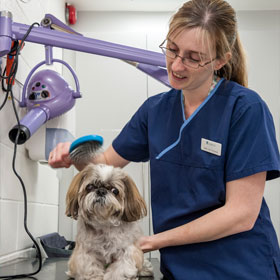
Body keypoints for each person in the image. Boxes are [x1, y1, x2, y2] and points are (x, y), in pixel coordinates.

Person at [48, 0, 280, 279]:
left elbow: (242, 213)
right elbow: (106, 163)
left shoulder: (245, 109)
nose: (177, 64)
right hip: (178, 269)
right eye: (172, 49)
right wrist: (75, 155)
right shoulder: (154, 111)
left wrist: (152, 242)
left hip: (239, 267)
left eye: (193, 57)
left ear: (220, 60)